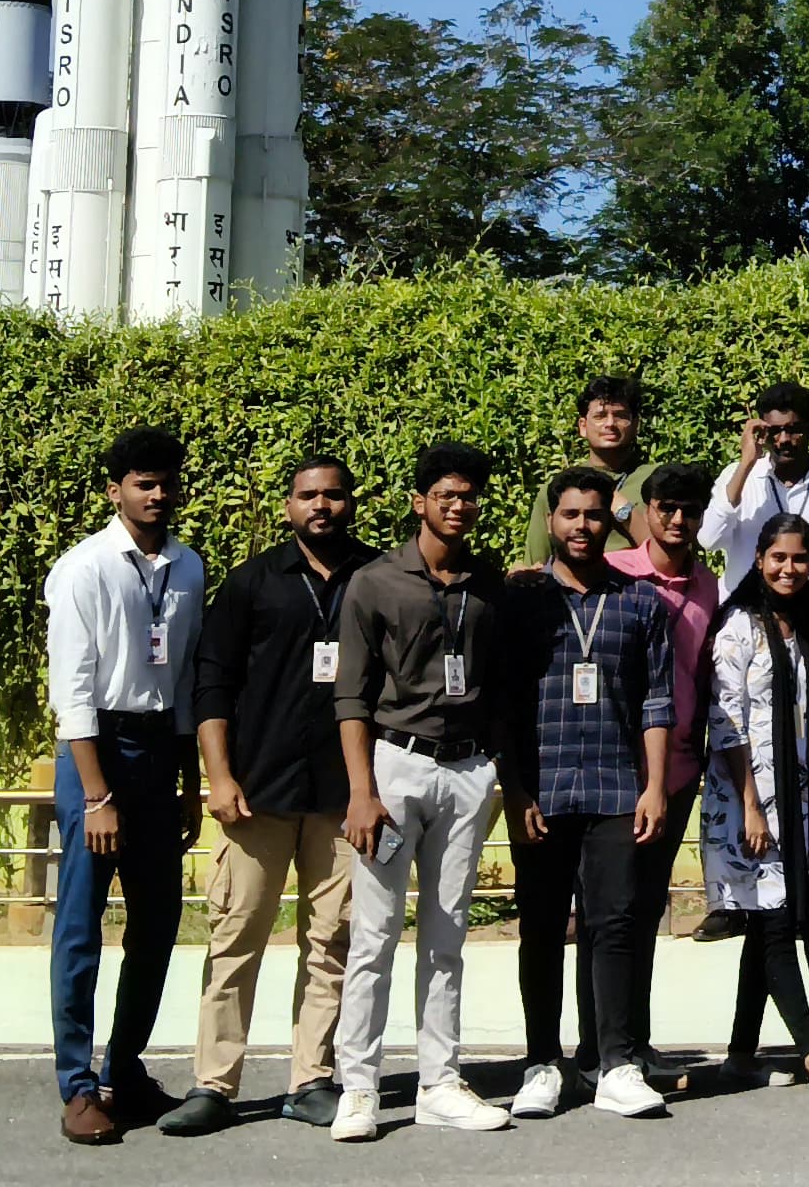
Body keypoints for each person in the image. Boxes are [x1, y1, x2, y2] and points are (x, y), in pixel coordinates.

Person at [167, 455, 368, 1136]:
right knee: (235, 939)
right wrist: (219, 777)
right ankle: (213, 1084)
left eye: (334, 495)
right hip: (258, 793)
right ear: (288, 506)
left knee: (332, 942)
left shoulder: (374, 577)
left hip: (343, 798)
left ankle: (312, 1079)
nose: (322, 506)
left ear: (350, 503)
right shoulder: (251, 582)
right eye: (308, 496)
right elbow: (212, 685)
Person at [332, 441, 513, 1138]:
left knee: (446, 937)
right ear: (419, 502)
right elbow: (351, 695)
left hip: (467, 773)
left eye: (468, 496)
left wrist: (495, 768)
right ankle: (358, 1088)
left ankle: (440, 1080)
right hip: (395, 767)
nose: (458, 506)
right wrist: (362, 791)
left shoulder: (489, 584)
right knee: (373, 935)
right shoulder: (376, 582)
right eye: (445, 495)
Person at [43, 425, 206, 1146]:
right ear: (115, 491)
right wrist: (97, 796)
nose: (157, 494)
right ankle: (78, 1087)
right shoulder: (83, 569)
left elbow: (186, 678)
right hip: (98, 754)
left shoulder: (188, 566)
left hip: (160, 751)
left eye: (167, 482)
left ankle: (124, 1068)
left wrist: (191, 782)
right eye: (143, 483)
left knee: (157, 922)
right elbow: (73, 690)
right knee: (81, 927)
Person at [497, 468, 676, 1122]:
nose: (582, 526)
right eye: (570, 514)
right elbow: (504, 706)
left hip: (616, 787)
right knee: (542, 928)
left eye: (594, 514)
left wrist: (654, 787)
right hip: (541, 789)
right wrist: (515, 789)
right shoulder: (521, 603)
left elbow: (657, 701)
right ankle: (542, 1063)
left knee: (615, 925)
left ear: (610, 522)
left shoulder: (641, 603)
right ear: (551, 521)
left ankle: (617, 1064)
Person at [701, 512, 809, 1103]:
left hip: (793, 801)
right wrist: (750, 804)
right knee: (772, 925)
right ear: (759, 560)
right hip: (748, 802)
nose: (789, 569)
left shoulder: (801, 626)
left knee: (767, 918)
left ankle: (740, 1056)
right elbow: (727, 721)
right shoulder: (740, 626)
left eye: (799, 558)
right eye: (778, 558)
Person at [576, 464, 719, 1090]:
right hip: (616, 768)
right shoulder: (614, 574)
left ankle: (633, 1041)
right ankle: (595, 1049)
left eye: (690, 510)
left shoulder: (707, 585)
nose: (678, 520)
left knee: (645, 910)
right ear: (646, 511)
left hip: (678, 768)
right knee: (607, 912)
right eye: (667, 508)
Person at [706, 382, 809, 591]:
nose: (784, 439)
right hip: (746, 608)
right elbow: (709, 540)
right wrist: (746, 463)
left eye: (794, 430)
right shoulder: (739, 476)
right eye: (774, 431)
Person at [519, 375, 652, 566]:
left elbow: (671, 556)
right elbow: (536, 565)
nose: (610, 424)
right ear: (582, 426)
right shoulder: (560, 487)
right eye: (600, 416)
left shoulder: (657, 481)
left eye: (620, 416)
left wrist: (623, 511)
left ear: (635, 425)